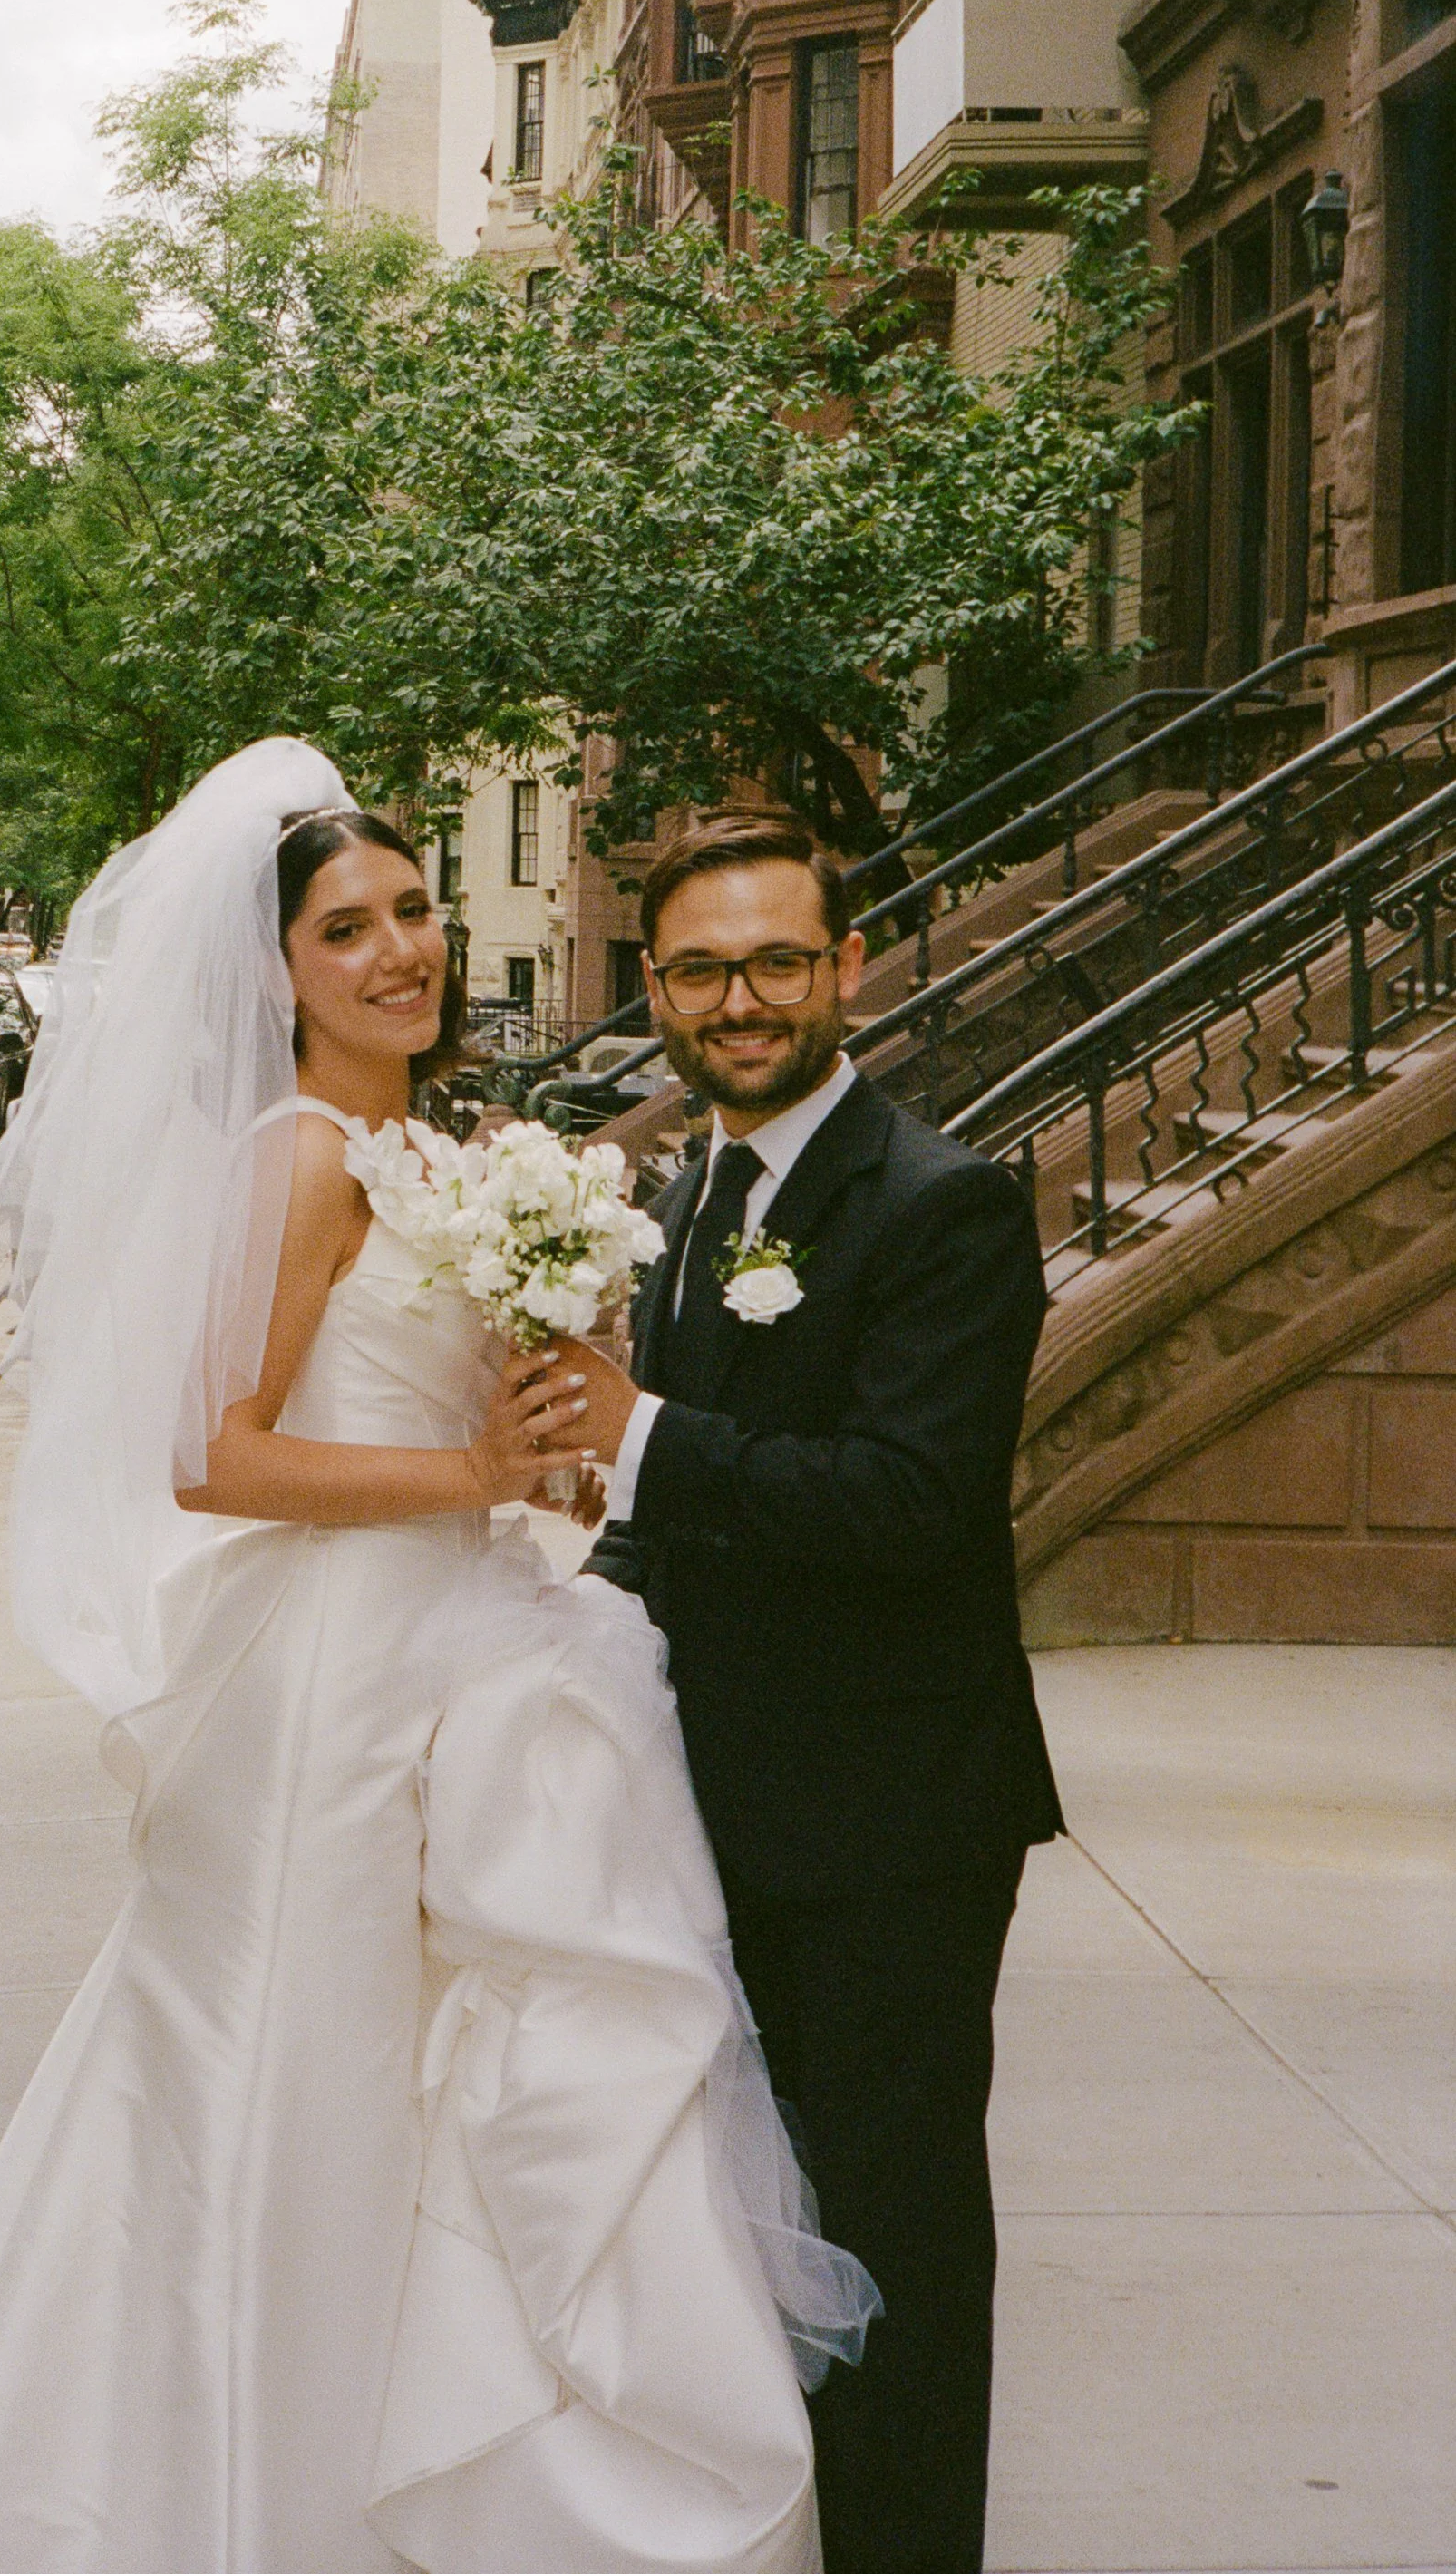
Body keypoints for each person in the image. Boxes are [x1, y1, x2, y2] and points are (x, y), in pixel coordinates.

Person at [0, 742, 875, 2574]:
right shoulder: (299, 1162)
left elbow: (500, 1424)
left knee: (450, 2107)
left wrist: (554, 1388)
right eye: (346, 928)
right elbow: (212, 1455)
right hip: (331, 1698)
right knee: (303, 2091)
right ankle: (250, 2496)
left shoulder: (427, 1155)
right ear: (275, 969)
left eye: (416, 910)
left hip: (469, 1649)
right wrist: (474, 1470)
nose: (398, 952)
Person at [539, 810, 1066, 2574]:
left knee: (893, 2247)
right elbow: (677, 1515)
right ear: (659, 994)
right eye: (699, 969)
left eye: (777, 961)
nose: (739, 999)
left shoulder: (943, 1206)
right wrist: (573, 1615)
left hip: (889, 1830)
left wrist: (650, 1442)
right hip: (721, 1812)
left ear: (846, 970)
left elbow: (911, 1509)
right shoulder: (696, 1193)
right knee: (772, 2252)